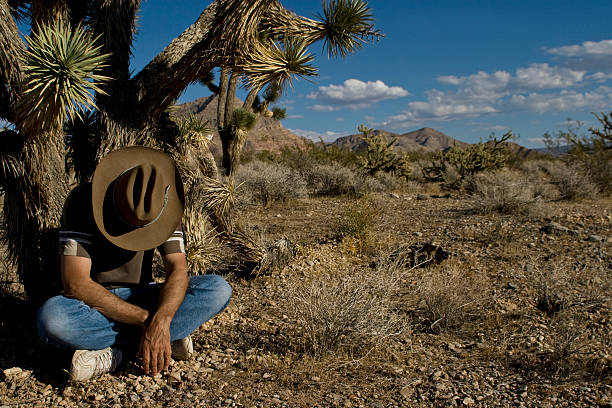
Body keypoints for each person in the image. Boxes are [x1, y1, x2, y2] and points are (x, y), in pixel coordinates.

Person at [36, 146, 232, 381]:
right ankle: (161, 341)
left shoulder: (162, 204)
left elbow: (178, 269)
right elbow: (76, 284)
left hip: (141, 294)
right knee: (53, 319)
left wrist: (163, 317)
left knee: (217, 289)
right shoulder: (81, 202)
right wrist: (150, 322)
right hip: (91, 303)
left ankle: (117, 354)